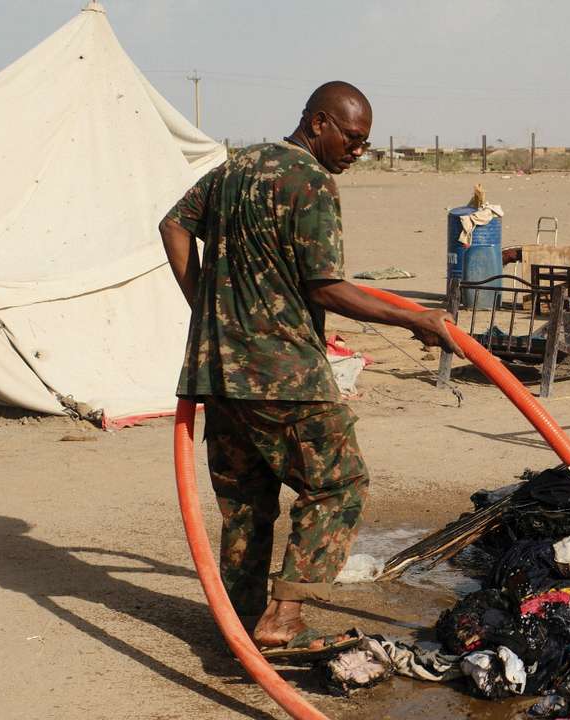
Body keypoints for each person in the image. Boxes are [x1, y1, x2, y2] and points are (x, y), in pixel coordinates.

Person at [158, 80, 462, 657]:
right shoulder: (310, 181)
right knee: (338, 485)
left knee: (246, 504)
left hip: (217, 373)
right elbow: (326, 288)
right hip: (283, 375)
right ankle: (284, 613)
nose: (356, 151)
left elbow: (173, 225)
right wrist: (417, 320)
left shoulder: (237, 167)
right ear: (319, 123)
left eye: (365, 144)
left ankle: (239, 625)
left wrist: (206, 308)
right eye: (351, 138)